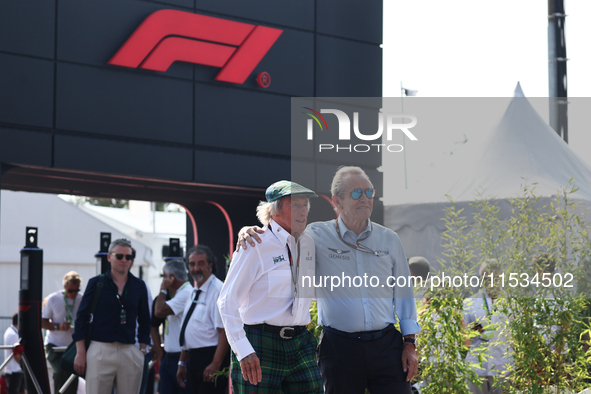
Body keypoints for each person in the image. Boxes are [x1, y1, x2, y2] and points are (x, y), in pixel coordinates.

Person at [238, 167, 421, 394]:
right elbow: (277, 234)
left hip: (386, 346)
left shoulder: (389, 239)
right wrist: (247, 231)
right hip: (339, 349)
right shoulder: (314, 236)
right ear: (337, 201)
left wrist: (409, 344)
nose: (364, 198)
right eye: (356, 193)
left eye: (369, 192)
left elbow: (404, 293)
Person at [218, 180, 323, 394]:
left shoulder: (309, 243)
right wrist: (244, 351)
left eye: (305, 205)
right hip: (259, 343)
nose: (303, 211)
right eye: (295, 205)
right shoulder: (254, 244)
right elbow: (226, 302)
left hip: (301, 343)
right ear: (274, 211)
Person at [72, 238, 151, 394]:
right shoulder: (96, 283)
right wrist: (80, 352)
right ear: (109, 257)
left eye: (128, 257)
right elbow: (80, 318)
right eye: (119, 256)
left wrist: (141, 351)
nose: (124, 260)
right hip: (100, 349)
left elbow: (145, 320)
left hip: (130, 350)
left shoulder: (139, 285)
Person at [176, 245, 229, 394]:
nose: (196, 268)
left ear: (210, 265)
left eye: (201, 263)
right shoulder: (194, 291)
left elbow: (224, 331)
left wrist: (215, 363)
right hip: (194, 359)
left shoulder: (218, 290)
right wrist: (182, 362)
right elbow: (188, 330)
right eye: (192, 264)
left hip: (211, 358)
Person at [464, 261, 510, 394]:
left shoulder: (512, 302)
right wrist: (472, 332)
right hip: (477, 364)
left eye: (494, 278)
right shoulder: (470, 303)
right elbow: (464, 335)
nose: (489, 282)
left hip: (503, 364)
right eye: (486, 279)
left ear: (501, 277)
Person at [154, 259, 193, 394]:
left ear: (171, 277)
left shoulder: (186, 292)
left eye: (164, 276)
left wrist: (163, 289)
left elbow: (159, 311)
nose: (163, 280)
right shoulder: (179, 293)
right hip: (169, 358)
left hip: (180, 358)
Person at [41, 271, 83, 394]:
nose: (74, 294)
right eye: (71, 291)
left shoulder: (82, 299)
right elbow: (42, 322)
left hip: (73, 346)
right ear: (65, 287)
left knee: (73, 374)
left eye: (76, 291)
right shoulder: (53, 299)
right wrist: (57, 326)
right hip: (54, 344)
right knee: (59, 372)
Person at [3, 313, 24, 394]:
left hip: (12, 369)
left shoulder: (9, 331)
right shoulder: (13, 334)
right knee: (15, 391)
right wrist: (23, 366)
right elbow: (16, 353)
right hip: (15, 369)